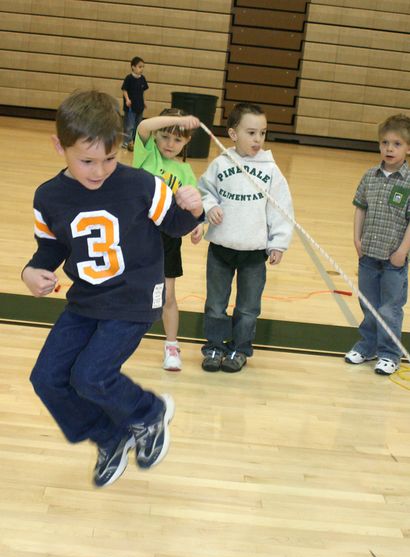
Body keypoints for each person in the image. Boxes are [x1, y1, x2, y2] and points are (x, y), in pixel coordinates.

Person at [21, 90, 203, 488]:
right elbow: (49, 249)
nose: (99, 170)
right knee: (46, 378)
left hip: (134, 297)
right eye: (87, 160)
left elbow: (175, 225)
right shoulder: (48, 197)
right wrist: (31, 272)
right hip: (86, 300)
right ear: (59, 146)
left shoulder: (142, 185)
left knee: (90, 376)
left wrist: (192, 208)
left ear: (120, 146)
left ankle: (149, 412)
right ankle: (110, 436)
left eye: (109, 158)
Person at [198, 102, 294, 373]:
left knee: (248, 308)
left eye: (262, 133)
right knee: (216, 304)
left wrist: (278, 243)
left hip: (254, 252)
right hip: (220, 248)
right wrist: (210, 206)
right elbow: (203, 191)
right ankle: (214, 346)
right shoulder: (220, 165)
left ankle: (240, 349)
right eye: (251, 133)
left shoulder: (271, 171)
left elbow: (281, 209)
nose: (258, 139)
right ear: (233, 134)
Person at [133, 108, 203, 371]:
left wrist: (198, 224)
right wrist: (177, 121)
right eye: (165, 137)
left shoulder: (185, 171)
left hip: (168, 238)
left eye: (177, 139)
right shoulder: (146, 153)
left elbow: (193, 207)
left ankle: (171, 346)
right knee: (124, 289)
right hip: (137, 234)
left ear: (186, 142)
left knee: (168, 295)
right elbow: (144, 125)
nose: (169, 144)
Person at [345, 113, 410, 375]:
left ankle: (389, 352)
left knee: (390, 308)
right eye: (385, 143)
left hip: (395, 259)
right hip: (368, 254)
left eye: (396, 144)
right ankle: (367, 345)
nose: (389, 149)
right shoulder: (369, 176)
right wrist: (356, 239)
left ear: (408, 147)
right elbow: (360, 208)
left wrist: (403, 249)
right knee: (369, 304)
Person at [121, 56, 148, 151]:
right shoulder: (129, 78)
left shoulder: (142, 79)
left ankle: (135, 142)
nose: (142, 69)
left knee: (138, 125)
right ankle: (126, 142)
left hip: (139, 106)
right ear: (133, 67)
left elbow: (142, 92)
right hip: (130, 107)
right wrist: (127, 99)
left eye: (143, 67)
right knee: (130, 126)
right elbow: (124, 90)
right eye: (140, 67)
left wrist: (144, 102)